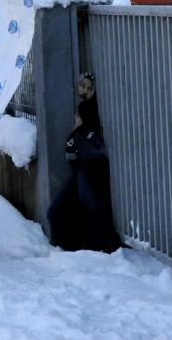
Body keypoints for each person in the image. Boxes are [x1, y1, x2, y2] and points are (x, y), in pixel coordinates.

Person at [47, 72, 123, 253]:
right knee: (56, 212)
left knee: (92, 208)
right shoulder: (83, 109)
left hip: (93, 168)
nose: (84, 91)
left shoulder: (91, 111)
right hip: (81, 169)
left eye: (89, 88)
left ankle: (101, 247)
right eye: (82, 85)